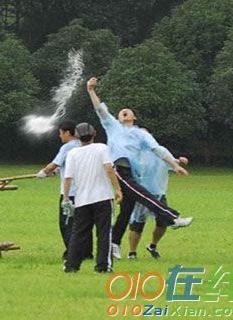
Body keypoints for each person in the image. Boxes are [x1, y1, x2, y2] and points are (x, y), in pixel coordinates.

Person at [86, 77, 193, 260]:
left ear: (134, 118)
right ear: (118, 118)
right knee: (145, 197)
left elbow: (158, 150)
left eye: (128, 112)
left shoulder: (141, 134)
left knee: (126, 211)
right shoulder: (113, 126)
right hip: (119, 167)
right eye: (121, 112)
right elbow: (100, 110)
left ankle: (114, 243)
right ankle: (173, 218)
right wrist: (91, 90)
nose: (124, 112)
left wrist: (175, 165)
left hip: (131, 174)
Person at [62, 123, 122, 273]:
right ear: (94, 133)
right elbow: (109, 168)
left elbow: (68, 178)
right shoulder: (102, 148)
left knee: (78, 234)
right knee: (104, 233)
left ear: (76, 136)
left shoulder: (73, 153)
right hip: (102, 197)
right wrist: (118, 189)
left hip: (82, 199)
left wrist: (66, 198)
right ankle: (102, 266)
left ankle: (71, 265)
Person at [127, 128, 189, 260]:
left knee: (163, 223)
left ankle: (153, 245)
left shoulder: (161, 151)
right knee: (137, 225)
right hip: (141, 193)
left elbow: (172, 162)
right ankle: (132, 253)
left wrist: (180, 162)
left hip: (159, 193)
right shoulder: (133, 153)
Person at [36, 120, 93, 261]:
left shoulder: (68, 147)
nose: (60, 136)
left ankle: (72, 253)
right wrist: (54, 172)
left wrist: (43, 172)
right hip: (85, 192)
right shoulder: (83, 145)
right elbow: (63, 166)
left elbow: (55, 163)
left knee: (67, 224)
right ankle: (86, 253)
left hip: (70, 193)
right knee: (84, 224)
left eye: (61, 133)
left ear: (68, 132)